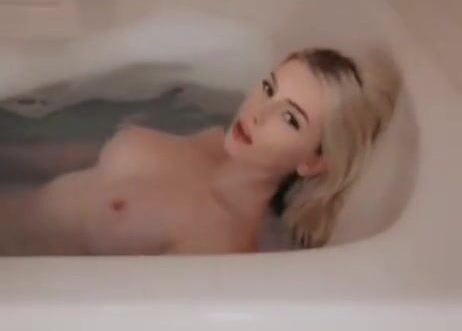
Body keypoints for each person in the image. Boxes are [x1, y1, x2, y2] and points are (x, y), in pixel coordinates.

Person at [0, 48, 399, 256]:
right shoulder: (211, 138)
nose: (257, 112)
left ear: (312, 161)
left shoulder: (218, 242)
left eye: (290, 118)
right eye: (268, 88)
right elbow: (84, 162)